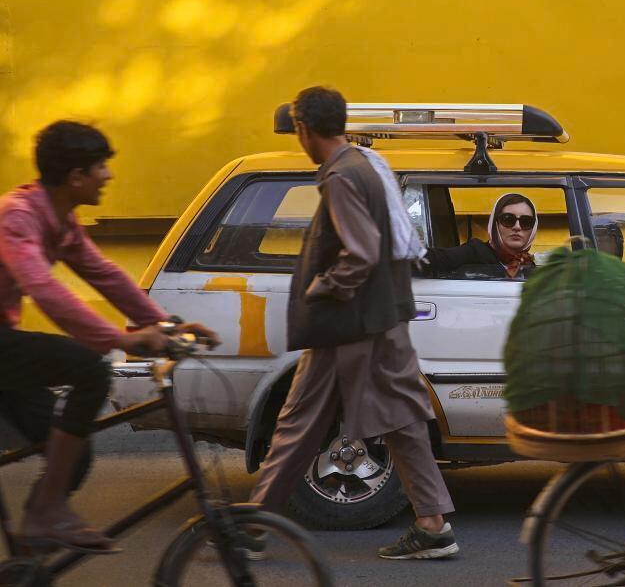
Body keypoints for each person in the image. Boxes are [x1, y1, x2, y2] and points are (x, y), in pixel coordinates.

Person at [249, 86, 458, 560]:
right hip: (383, 318)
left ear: (303, 129)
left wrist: (323, 288)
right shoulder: (365, 163)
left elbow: (360, 252)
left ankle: (255, 524)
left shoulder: (341, 175)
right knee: (403, 418)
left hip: (348, 326)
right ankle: (432, 525)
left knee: (300, 421)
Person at [0, 121, 214, 553]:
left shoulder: (61, 220)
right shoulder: (18, 216)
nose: (109, 175)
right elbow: (43, 288)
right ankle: (44, 515)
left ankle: (29, 552)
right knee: (88, 368)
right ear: (76, 176)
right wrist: (122, 339)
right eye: (101, 167)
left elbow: (106, 276)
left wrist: (167, 325)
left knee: (72, 456)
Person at [422, 193, 538, 279]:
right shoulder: (475, 252)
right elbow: (431, 259)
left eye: (526, 222)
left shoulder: (528, 264)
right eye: (508, 219)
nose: (517, 227)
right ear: (494, 224)